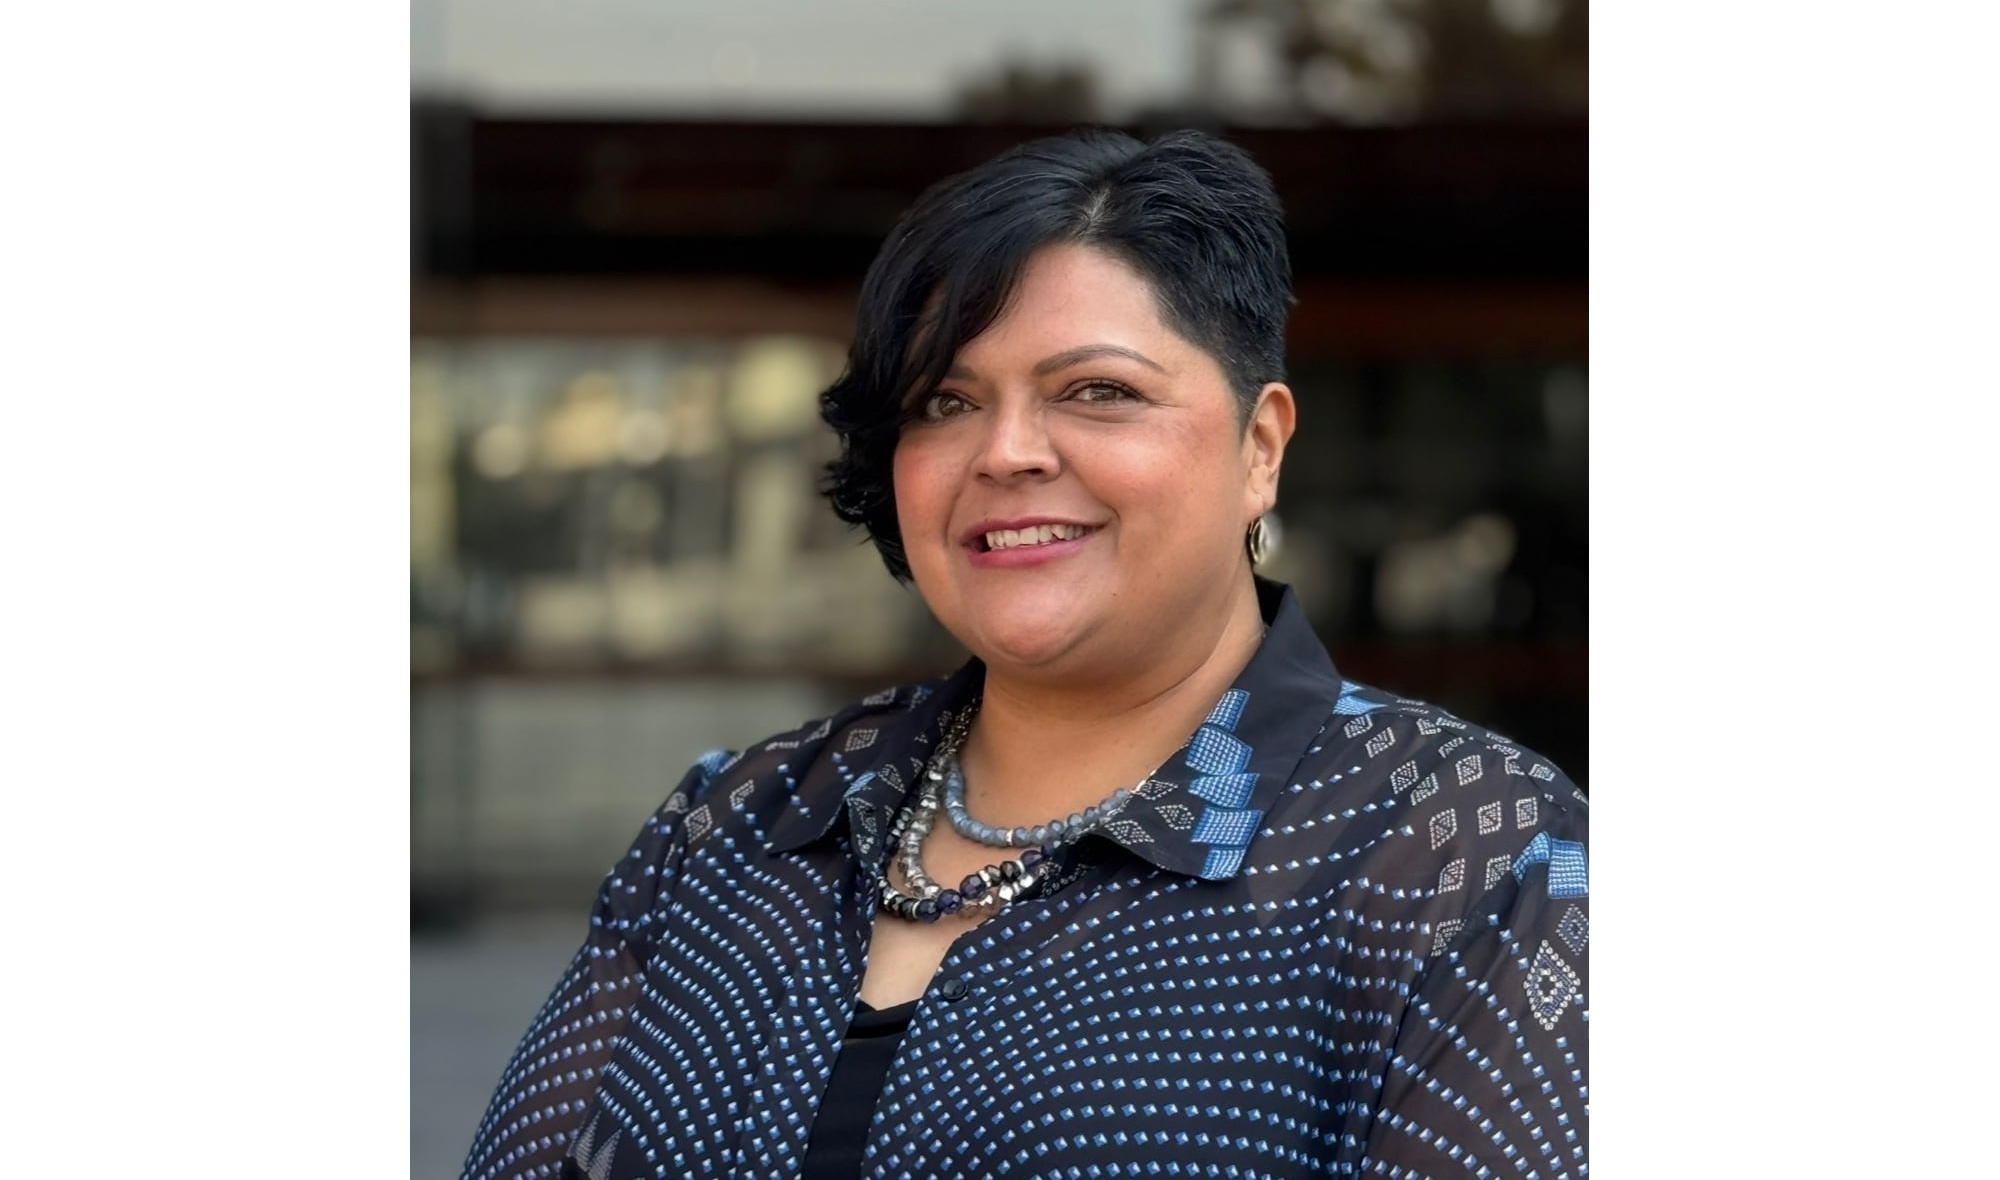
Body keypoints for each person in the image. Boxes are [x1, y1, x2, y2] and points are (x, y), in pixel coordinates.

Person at [461, 129, 1589, 1180]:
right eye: (944, 400)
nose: (1004, 452)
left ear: (1258, 448)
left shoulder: (1461, 854)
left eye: (1096, 392)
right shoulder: (739, 823)